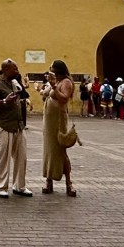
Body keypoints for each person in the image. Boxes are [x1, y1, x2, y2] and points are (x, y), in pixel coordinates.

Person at [0, 59, 31, 198]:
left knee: (21, 157)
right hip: (4, 125)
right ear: (6, 70)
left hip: (18, 125)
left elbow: (22, 95)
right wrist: (5, 101)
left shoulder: (14, 83)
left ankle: (19, 186)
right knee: (3, 158)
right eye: (15, 69)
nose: (17, 71)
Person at [42, 59, 77, 196]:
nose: (50, 70)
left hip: (58, 121)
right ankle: (48, 180)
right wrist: (45, 88)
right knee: (49, 150)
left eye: (51, 68)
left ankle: (69, 183)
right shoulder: (55, 81)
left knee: (61, 151)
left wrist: (54, 87)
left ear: (57, 70)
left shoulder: (66, 82)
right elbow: (45, 94)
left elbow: (64, 98)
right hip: (49, 122)